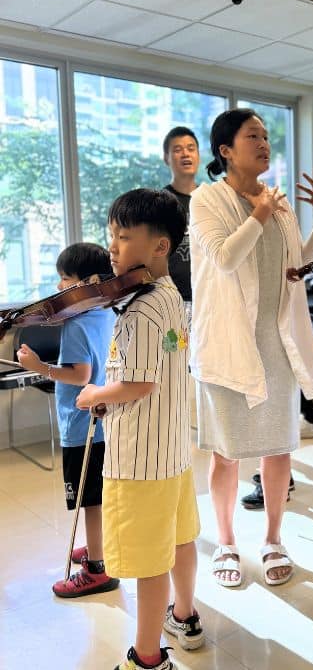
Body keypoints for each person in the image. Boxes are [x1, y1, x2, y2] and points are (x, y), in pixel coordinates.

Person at [189, 108, 313, 588]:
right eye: (254, 135)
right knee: (226, 453)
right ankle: (227, 540)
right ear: (226, 150)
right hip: (229, 346)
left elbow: (298, 262)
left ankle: (273, 538)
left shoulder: (277, 202)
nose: (265, 143)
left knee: (278, 449)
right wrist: (260, 213)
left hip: (278, 345)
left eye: (267, 136)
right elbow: (227, 258)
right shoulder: (207, 199)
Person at [75, 189, 203, 670]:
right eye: (112, 236)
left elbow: (137, 383)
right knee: (179, 538)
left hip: (139, 461)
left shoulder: (142, 310)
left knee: (149, 563)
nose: (112, 247)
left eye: (124, 237)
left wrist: (94, 395)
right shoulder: (170, 296)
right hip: (171, 450)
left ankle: (147, 657)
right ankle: (185, 616)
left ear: (160, 247)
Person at [16, 243, 118, 598]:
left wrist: (39, 368)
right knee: (97, 494)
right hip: (106, 420)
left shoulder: (75, 324)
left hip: (82, 422)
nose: (59, 287)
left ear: (88, 281)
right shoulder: (107, 312)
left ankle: (96, 568)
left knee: (89, 499)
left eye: (65, 279)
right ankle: (97, 546)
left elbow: (80, 374)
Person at [160, 126, 200, 316]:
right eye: (177, 150)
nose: (186, 154)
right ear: (166, 158)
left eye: (191, 148)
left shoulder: (210, 199)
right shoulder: (158, 203)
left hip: (209, 298)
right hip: (173, 301)